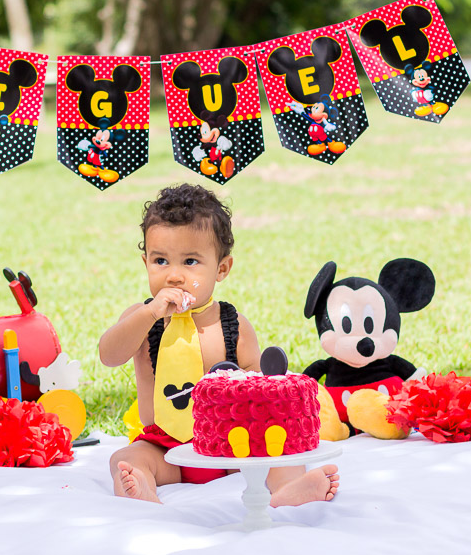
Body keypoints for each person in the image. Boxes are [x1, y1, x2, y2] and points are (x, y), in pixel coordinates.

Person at [100, 183, 339, 505]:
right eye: (160, 261)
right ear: (145, 263)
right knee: (125, 457)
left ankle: (288, 489)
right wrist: (149, 314)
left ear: (222, 268)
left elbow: (260, 389)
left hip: (229, 445)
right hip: (165, 446)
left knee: (280, 456)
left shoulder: (233, 326)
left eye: (190, 262)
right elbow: (109, 356)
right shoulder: (142, 319)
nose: (173, 276)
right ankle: (141, 484)